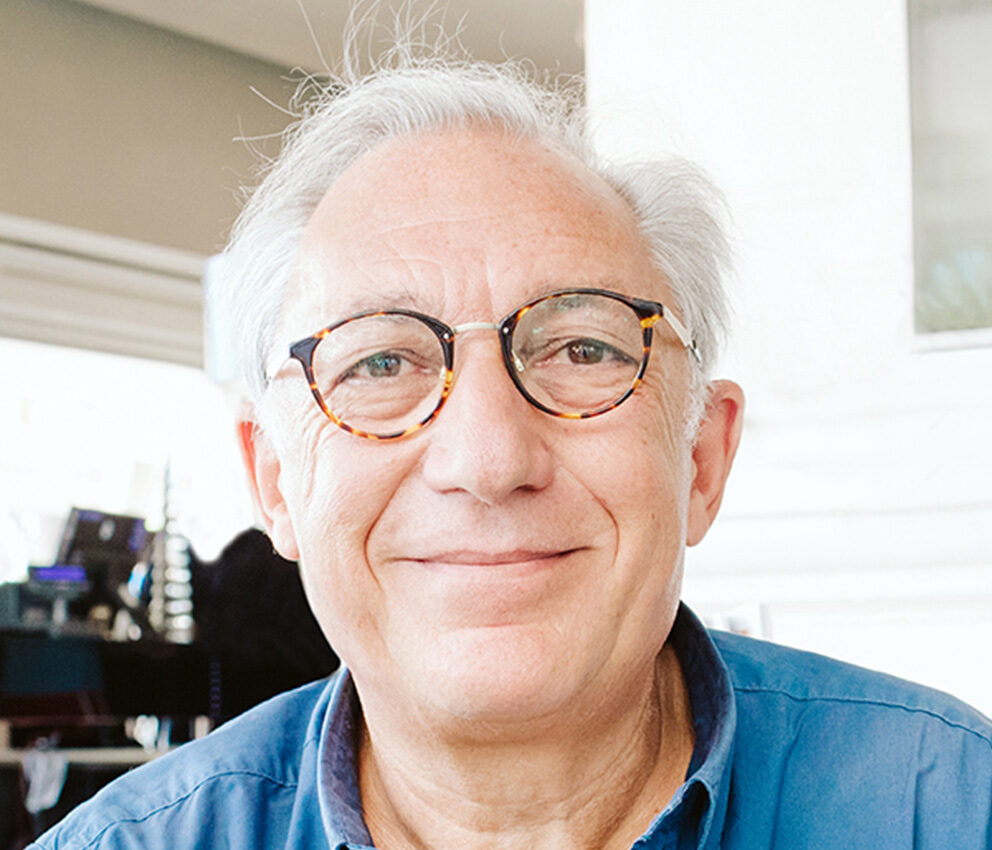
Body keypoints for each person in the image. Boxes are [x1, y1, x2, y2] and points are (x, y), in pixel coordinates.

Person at [31, 22, 992, 850]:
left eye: (582, 349)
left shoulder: (951, 808)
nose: (487, 460)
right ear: (275, 481)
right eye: (381, 364)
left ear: (702, 458)